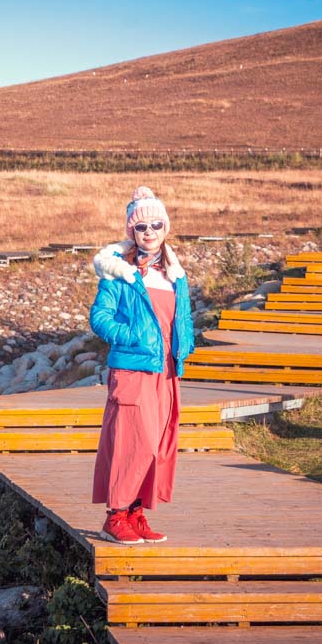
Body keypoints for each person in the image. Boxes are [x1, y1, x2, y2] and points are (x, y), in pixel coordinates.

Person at [88, 186, 194, 544]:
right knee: (133, 443)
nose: (149, 232)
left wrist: (187, 343)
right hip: (133, 369)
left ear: (166, 228)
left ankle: (136, 514)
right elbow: (99, 317)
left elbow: (183, 317)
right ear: (131, 232)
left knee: (159, 445)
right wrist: (129, 334)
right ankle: (115, 515)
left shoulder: (175, 275)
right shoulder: (119, 273)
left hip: (166, 372)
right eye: (140, 227)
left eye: (155, 225)